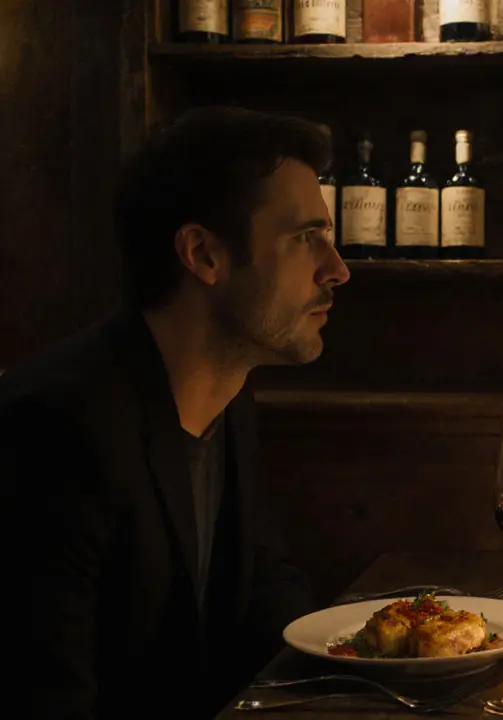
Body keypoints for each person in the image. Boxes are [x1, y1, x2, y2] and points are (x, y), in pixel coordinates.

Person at [2, 106, 350, 718]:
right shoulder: (53, 428)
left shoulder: (227, 393)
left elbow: (267, 593)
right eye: (306, 238)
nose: (337, 269)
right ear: (203, 255)